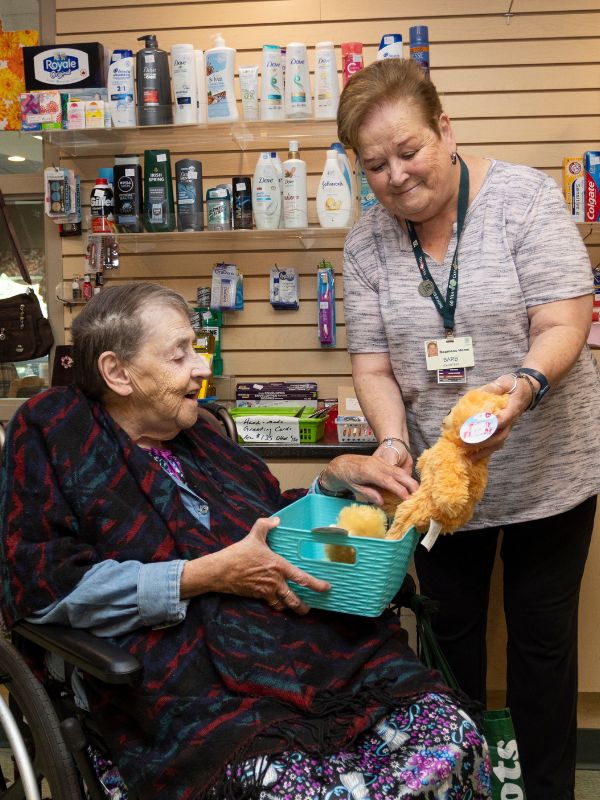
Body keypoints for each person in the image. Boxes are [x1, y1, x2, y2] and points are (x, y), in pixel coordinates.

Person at [0, 283, 491, 800]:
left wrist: (333, 481)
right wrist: (205, 575)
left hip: (296, 648)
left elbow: (270, 519)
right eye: (180, 354)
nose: (202, 366)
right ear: (117, 373)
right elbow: (49, 589)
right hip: (176, 680)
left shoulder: (200, 433)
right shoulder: (56, 435)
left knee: (451, 731)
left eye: (196, 347)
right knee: (297, 788)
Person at [337, 57, 600, 800]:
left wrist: (520, 388)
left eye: (409, 150)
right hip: (444, 486)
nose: (395, 176)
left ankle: (546, 790)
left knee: (541, 654)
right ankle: (463, 784)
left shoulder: (522, 201)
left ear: (446, 129)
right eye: (376, 163)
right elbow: (376, 364)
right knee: (448, 646)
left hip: (551, 473)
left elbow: (563, 320)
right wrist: (393, 442)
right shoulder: (366, 244)